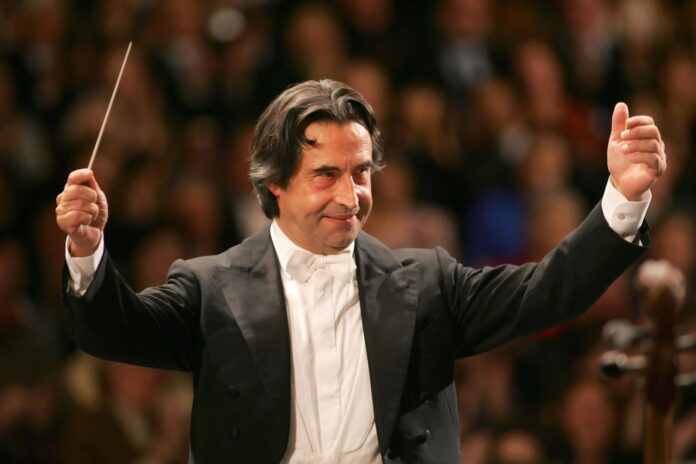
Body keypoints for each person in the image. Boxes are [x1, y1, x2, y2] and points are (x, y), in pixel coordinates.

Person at [56, 79, 666, 463]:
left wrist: (622, 197)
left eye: (362, 173)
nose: (350, 197)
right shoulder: (211, 285)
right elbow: (116, 330)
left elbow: (549, 292)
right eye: (326, 175)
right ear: (275, 183)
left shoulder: (427, 282)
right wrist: (87, 249)